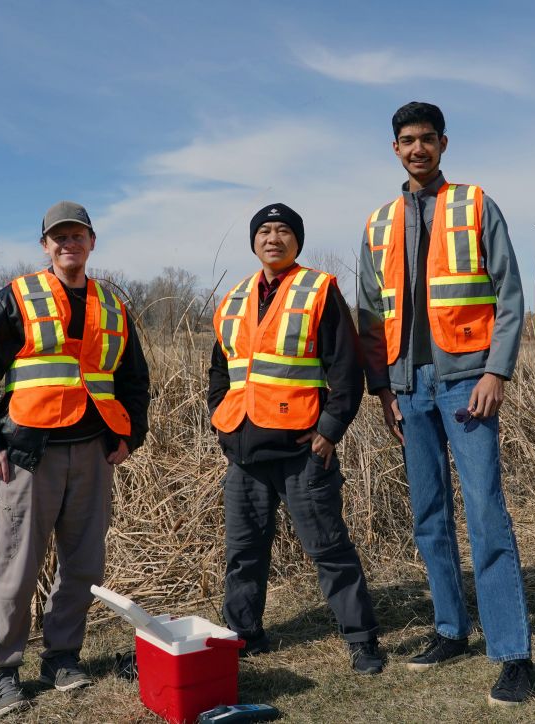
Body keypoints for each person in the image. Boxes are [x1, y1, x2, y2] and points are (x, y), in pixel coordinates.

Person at [357, 101, 532, 706]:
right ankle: (449, 629)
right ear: (395, 148)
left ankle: (513, 653)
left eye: (427, 138)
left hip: (467, 383)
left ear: (444, 143)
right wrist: (382, 390)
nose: (417, 149)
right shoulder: (379, 223)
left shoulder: (476, 204)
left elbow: (508, 294)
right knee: (429, 516)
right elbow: (369, 318)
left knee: (486, 514)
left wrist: (496, 372)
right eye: (407, 140)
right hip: (409, 390)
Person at [0, 201, 150, 717]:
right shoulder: (16, 297)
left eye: (77, 235)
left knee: (83, 564)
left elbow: (133, 379)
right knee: (16, 568)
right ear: (46, 245)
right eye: (59, 237)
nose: (69, 244)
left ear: (91, 242)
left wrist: (130, 435)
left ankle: (62, 657)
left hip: (93, 451)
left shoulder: (113, 303)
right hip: (27, 455)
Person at [208, 203, 382, 674]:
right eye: (264, 231)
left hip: (303, 451)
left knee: (328, 547)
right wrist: (219, 421)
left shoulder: (318, 290)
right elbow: (220, 372)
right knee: (243, 553)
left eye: (284, 231)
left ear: (297, 241)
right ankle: (245, 635)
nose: (273, 238)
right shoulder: (234, 298)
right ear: (254, 241)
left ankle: (362, 640)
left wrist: (329, 432)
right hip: (244, 452)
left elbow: (346, 369)